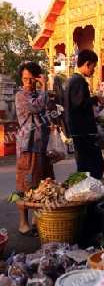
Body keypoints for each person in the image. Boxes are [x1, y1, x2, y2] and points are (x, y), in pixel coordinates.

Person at [15, 62, 54, 237]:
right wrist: (44, 86)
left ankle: (35, 219)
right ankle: (23, 223)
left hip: (41, 146)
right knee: (25, 186)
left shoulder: (39, 94)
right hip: (27, 146)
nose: (28, 83)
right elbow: (37, 106)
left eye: (32, 79)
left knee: (42, 185)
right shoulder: (21, 95)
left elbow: (44, 112)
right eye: (25, 79)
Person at [64, 49, 104, 179]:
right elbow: (78, 103)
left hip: (79, 130)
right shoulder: (78, 81)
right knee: (94, 165)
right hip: (83, 131)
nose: (94, 71)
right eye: (93, 67)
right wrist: (96, 99)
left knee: (86, 166)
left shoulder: (74, 80)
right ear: (87, 64)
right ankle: (91, 193)